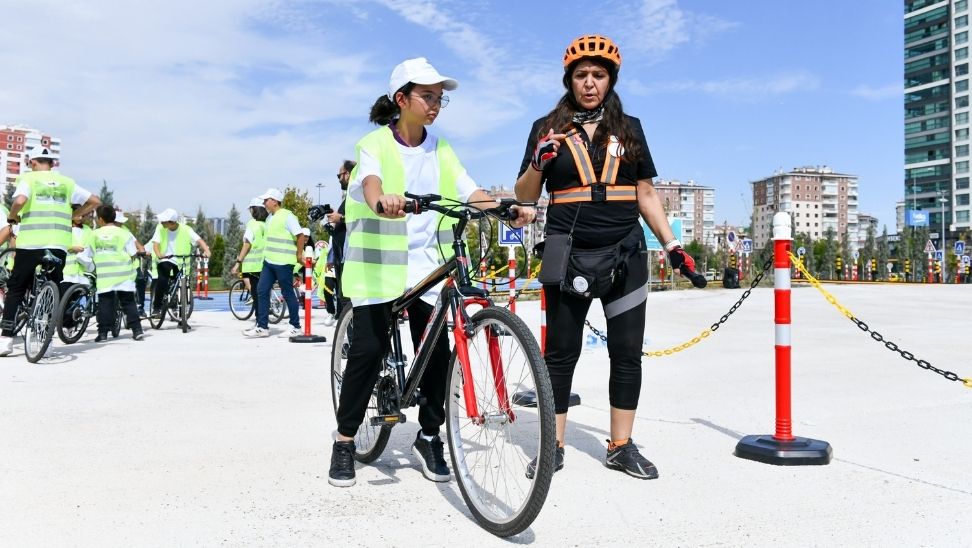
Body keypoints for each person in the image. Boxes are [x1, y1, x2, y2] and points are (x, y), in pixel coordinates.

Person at [327, 57, 534, 488]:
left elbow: (468, 189)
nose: (436, 104)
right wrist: (382, 198)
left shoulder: (441, 148)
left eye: (440, 98)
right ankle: (346, 441)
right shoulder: (374, 144)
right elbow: (369, 183)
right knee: (366, 352)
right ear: (401, 99)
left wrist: (503, 208)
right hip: (379, 268)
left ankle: (428, 435)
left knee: (440, 352)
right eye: (427, 96)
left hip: (427, 265)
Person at [514, 35, 701, 480]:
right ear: (569, 80)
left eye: (599, 75)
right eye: (581, 75)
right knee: (561, 354)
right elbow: (525, 195)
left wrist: (673, 246)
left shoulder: (630, 128)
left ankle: (620, 446)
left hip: (626, 253)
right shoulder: (546, 128)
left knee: (626, 353)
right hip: (567, 250)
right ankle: (552, 445)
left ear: (610, 79)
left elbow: (647, 194)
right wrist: (538, 163)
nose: (590, 83)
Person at [0, 145, 100, 357]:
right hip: (58, 244)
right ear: (53, 164)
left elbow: (19, 201)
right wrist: (75, 215)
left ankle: (6, 339)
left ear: (32, 163)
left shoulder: (29, 179)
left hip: (31, 243)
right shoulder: (67, 182)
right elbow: (95, 201)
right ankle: (46, 340)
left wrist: (12, 216)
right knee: (53, 287)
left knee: (16, 287)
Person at [242, 188, 305, 338]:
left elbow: (300, 235)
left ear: (274, 201)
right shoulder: (270, 218)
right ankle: (262, 326)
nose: (264, 203)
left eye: (266, 200)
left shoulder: (288, 216)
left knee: (287, 293)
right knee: (261, 290)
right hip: (269, 263)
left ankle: (295, 326)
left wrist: (298, 254)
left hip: (283, 262)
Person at [86, 205, 145, 341]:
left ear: (100, 219)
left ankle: (103, 333)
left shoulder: (94, 234)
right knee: (128, 302)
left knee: (105, 304)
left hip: (105, 276)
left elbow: (88, 253)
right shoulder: (124, 233)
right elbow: (132, 253)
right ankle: (137, 330)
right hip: (123, 274)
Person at [150, 208, 211, 318]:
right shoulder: (160, 228)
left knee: (182, 286)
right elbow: (155, 244)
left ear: (171, 222)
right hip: (166, 259)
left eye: (164, 221)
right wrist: (159, 254)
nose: (161, 223)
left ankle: (182, 317)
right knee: (163, 280)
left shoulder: (186, 229)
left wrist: (206, 250)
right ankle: (157, 307)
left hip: (181, 262)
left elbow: (199, 240)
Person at [230, 197, 268, 322]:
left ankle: (260, 323)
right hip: (266, 263)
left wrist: (238, 263)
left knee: (256, 295)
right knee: (263, 294)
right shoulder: (267, 224)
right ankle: (263, 320)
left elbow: (247, 244)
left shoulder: (252, 225)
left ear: (254, 210)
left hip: (252, 266)